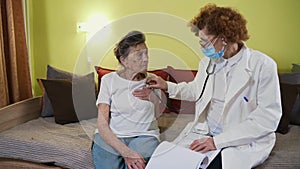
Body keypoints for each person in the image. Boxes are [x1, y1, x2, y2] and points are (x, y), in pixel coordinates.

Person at [135, 4, 282, 169]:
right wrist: (166, 86)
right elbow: (198, 90)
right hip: (204, 133)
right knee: (165, 163)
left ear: (224, 38)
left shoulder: (262, 65)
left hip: (240, 140)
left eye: (205, 41)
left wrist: (217, 142)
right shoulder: (207, 63)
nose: (201, 46)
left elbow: (267, 119)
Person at [92, 31, 161, 169]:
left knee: (138, 164)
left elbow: (158, 113)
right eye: (139, 54)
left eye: (146, 53)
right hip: (113, 134)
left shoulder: (153, 80)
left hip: (144, 135)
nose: (146, 59)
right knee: (108, 165)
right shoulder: (108, 80)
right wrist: (126, 152)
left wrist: (153, 98)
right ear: (124, 60)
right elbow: (102, 124)